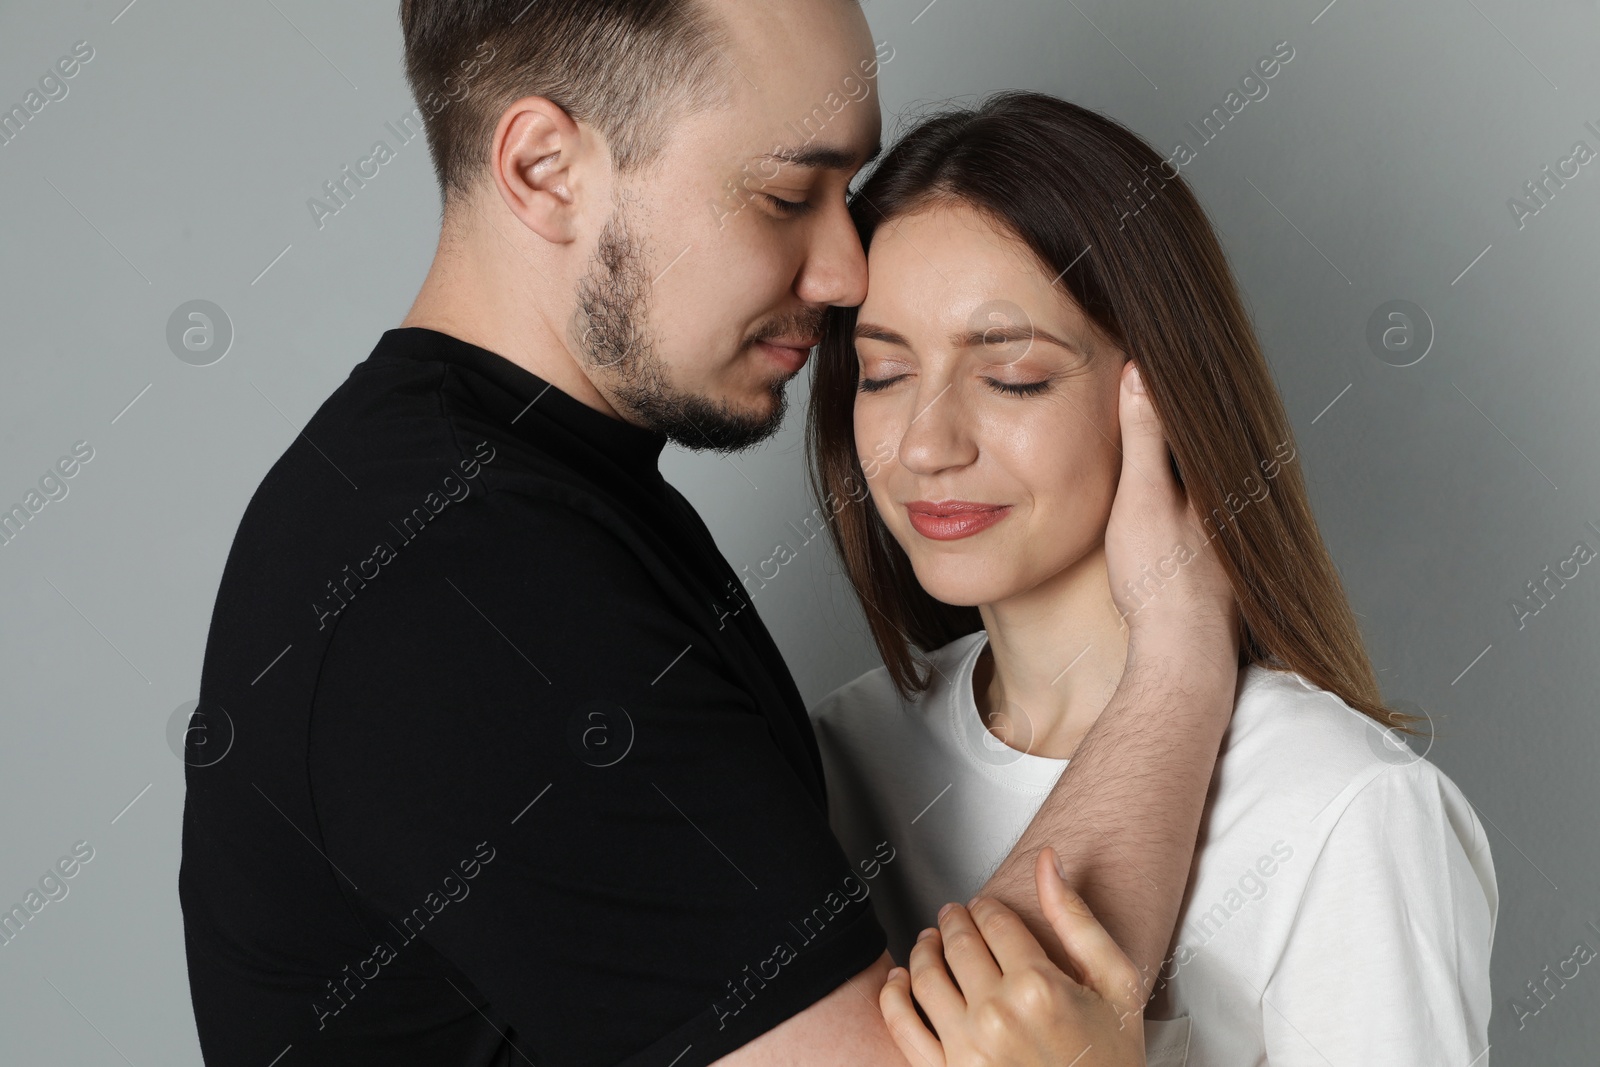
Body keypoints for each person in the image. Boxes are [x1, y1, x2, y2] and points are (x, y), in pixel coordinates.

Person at [179, 5, 1238, 1066]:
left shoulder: (514, 496)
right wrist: (1181, 653)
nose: (843, 273)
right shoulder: (465, 573)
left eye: (848, 196)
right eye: (786, 196)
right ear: (546, 169)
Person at [805, 91, 1499, 1066]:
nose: (926, 443)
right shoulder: (838, 755)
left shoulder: (1340, 806)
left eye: (1012, 376)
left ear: (1159, 395)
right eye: (881, 376)